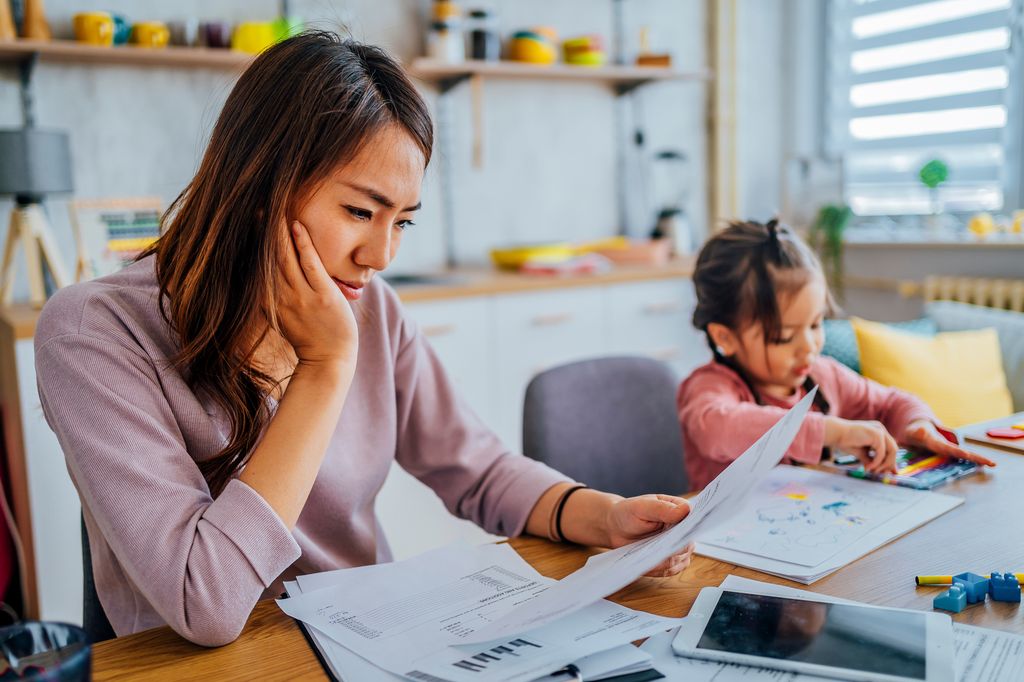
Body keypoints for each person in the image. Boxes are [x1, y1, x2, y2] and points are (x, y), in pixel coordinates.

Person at [34, 33, 694, 647]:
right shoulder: (94, 334)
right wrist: (324, 368)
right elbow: (204, 602)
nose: (379, 254)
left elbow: (481, 470)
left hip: (368, 645)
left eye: (402, 221)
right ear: (262, 187)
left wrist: (606, 518)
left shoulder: (372, 306)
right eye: (359, 211)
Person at [677, 219, 996, 491]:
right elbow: (718, 428)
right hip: (721, 552)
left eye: (816, 324)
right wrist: (835, 431)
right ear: (724, 337)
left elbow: (893, 402)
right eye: (783, 337)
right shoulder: (708, 387)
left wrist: (917, 426)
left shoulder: (823, 375)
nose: (809, 346)